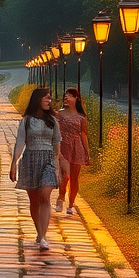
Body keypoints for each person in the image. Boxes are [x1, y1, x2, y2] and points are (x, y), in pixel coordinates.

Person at [9, 87, 61, 250]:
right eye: (46, 98)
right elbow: (20, 142)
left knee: (45, 196)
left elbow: (57, 144)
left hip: (48, 160)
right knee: (34, 200)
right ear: (38, 99)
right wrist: (13, 164)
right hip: (30, 159)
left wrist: (57, 167)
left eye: (50, 98)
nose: (49, 101)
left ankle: (44, 237)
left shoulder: (52, 120)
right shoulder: (27, 120)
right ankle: (39, 232)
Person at [55, 87, 91, 216]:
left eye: (69, 95)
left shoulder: (81, 117)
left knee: (74, 179)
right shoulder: (60, 114)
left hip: (77, 148)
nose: (66, 97)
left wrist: (87, 152)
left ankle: (70, 205)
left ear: (76, 98)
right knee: (64, 176)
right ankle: (60, 197)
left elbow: (83, 134)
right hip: (64, 146)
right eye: (65, 95)